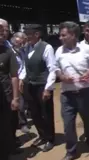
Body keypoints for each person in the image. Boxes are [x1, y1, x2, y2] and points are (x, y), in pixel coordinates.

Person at [54, 21, 89, 160]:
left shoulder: (86, 49)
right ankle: (71, 151)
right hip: (67, 95)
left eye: (63, 35)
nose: (60, 37)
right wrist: (62, 77)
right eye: (60, 35)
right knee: (68, 124)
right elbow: (55, 68)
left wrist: (88, 73)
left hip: (85, 92)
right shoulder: (59, 51)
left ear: (73, 35)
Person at [20, 24, 56, 152]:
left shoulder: (47, 47)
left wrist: (48, 88)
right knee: (35, 113)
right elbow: (25, 65)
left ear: (37, 34)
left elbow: (52, 69)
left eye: (29, 34)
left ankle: (50, 139)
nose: (27, 36)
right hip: (30, 85)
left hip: (42, 85)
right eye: (26, 34)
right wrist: (22, 78)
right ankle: (42, 135)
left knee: (46, 113)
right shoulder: (27, 47)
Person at [0, 21, 20, 160]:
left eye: (4, 30)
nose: (2, 32)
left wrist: (15, 97)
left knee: (4, 129)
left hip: (4, 98)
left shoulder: (7, 51)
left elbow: (14, 76)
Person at [11, 32, 30, 134]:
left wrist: (21, 79)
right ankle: (17, 123)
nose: (23, 43)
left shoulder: (22, 51)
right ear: (15, 41)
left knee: (22, 103)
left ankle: (23, 123)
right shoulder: (10, 52)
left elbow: (23, 67)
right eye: (21, 41)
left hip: (21, 79)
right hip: (12, 80)